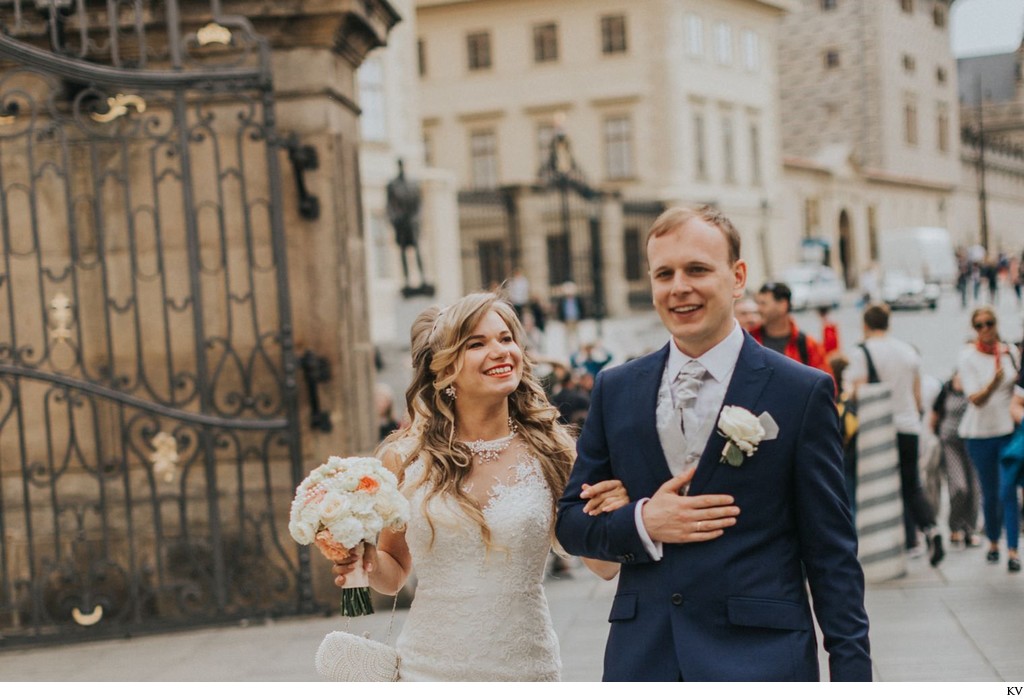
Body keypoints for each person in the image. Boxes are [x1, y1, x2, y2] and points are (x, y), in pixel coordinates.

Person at [556, 205, 871, 682]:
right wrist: (643, 521)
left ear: (737, 276)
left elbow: (831, 556)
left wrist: (854, 682)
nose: (678, 286)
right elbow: (571, 523)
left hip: (760, 660)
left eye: (697, 269)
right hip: (645, 661)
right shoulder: (616, 388)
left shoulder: (800, 392)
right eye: (664, 274)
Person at [319, 292, 627, 680]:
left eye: (506, 338)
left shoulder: (554, 451)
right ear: (445, 368)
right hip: (426, 670)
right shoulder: (406, 458)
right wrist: (362, 557)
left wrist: (613, 512)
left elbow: (603, 566)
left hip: (525, 669)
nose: (500, 351)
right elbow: (394, 573)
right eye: (477, 344)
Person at [847, 303, 943, 565]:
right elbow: (917, 395)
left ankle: (881, 543)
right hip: (908, 425)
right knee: (911, 485)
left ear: (866, 324)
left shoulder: (862, 352)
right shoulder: (907, 352)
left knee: (873, 486)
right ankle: (930, 529)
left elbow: (856, 390)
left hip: (878, 430)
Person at [957, 307, 1020, 571]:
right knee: (990, 491)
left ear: (996, 324)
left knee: (1009, 490)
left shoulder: (1010, 353)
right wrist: (993, 382)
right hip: (980, 433)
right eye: (979, 325)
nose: (985, 329)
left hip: (1008, 431)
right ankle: (993, 541)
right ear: (975, 329)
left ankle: (1013, 549)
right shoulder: (968, 357)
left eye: (989, 323)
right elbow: (975, 400)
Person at [929, 372, 981, 548]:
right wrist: (934, 437)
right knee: (959, 487)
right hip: (950, 442)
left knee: (973, 489)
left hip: (971, 441)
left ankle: (970, 529)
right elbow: (935, 415)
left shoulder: (975, 388)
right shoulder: (946, 388)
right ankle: (954, 526)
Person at [751, 281, 830, 374]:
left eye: (763, 304)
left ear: (783, 305)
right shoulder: (750, 340)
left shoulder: (807, 345)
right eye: (758, 303)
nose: (758, 309)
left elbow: (825, 384)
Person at [386, 158, 426, 290]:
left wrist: (416, 219)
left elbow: (419, 205)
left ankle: (423, 278)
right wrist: (395, 220)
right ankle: (407, 280)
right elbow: (390, 206)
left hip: (412, 222)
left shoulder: (413, 184)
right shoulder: (393, 185)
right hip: (401, 223)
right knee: (403, 251)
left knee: (417, 250)